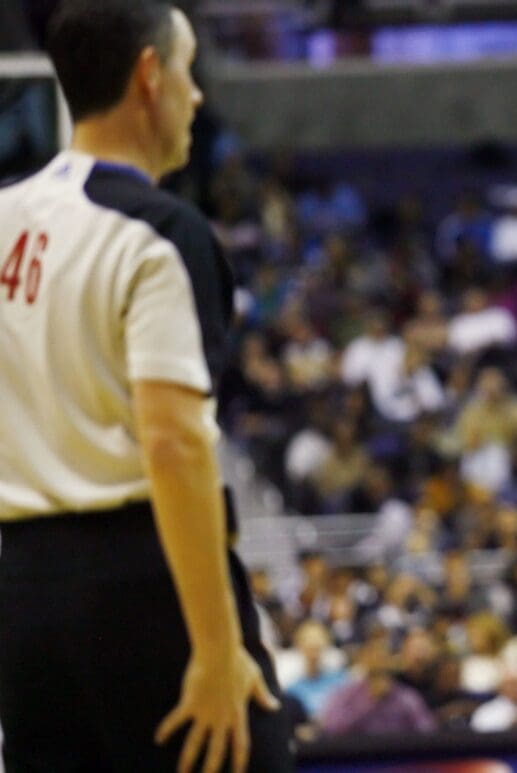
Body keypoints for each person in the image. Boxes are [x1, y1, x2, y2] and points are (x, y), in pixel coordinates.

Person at [0, 2, 291, 771]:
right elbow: (171, 440)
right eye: (189, 69)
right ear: (150, 75)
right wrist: (216, 647)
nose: (197, 95)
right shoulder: (159, 229)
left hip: (23, 596)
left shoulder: (5, 217)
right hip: (142, 584)